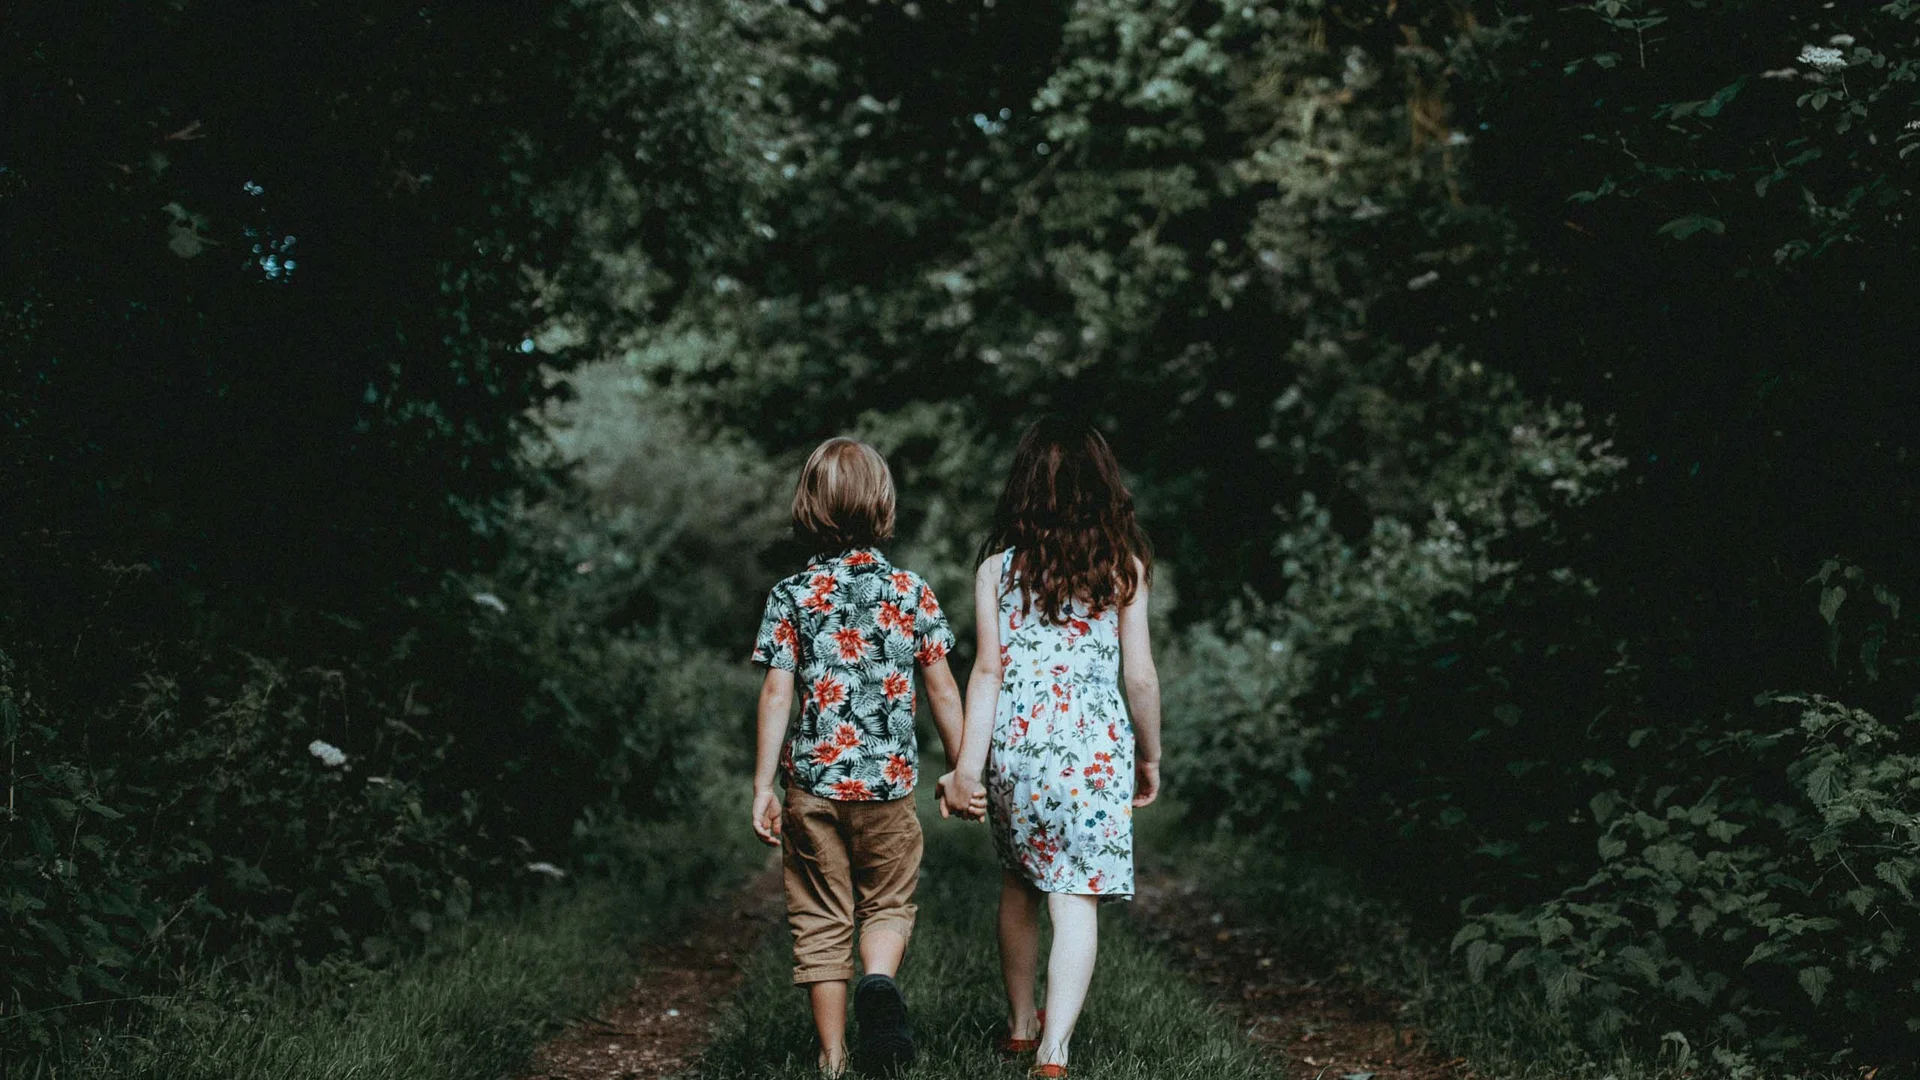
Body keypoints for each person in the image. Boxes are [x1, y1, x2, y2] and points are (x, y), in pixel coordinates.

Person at [941, 416, 1164, 1079]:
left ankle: (1017, 1025)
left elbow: (986, 673)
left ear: (1025, 490)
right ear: (1105, 490)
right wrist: (1149, 755)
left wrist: (967, 770)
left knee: (1020, 884)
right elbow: (1141, 676)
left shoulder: (996, 573)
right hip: (1094, 749)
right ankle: (1054, 1050)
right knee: (1076, 898)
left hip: (1019, 749)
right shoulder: (1123, 569)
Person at [749, 436, 978, 1077]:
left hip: (813, 788)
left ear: (809, 506)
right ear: (882, 503)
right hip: (889, 786)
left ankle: (831, 1057)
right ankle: (878, 980)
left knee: (820, 917)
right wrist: (961, 770)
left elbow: (776, 692)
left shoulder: (791, 594)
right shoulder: (910, 591)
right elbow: (942, 688)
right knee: (886, 903)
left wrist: (764, 783)